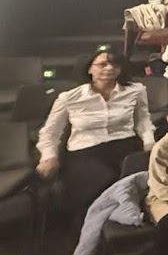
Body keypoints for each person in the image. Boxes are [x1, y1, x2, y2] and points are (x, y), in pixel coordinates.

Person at [36, 49, 154, 216]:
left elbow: (143, 120)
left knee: (136, 180)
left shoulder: (135, 90)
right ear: (90, 69)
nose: (109, 68)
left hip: (124, 145)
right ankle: (100, 221)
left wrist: (150, 143)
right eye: (102, 64)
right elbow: (50, 132)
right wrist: (48, 156)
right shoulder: (69, 97)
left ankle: (126, 219)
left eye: (114, 64)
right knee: (107, 181)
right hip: (85, 150)